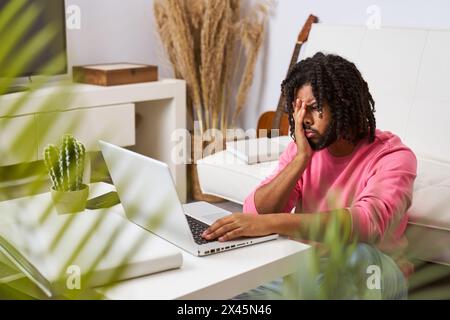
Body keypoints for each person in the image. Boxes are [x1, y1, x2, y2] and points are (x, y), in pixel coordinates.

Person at [201, 52, 417, 299]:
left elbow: (366, 224)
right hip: (310, 270)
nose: (303, 119)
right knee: (228, 290)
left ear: (343, 105)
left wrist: (270, 224)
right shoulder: (304, 149)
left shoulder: (394, 157)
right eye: (297, 108)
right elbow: (255, 214)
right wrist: (301, 159)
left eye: (313, 108)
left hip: (373, 272)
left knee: (356, 254)